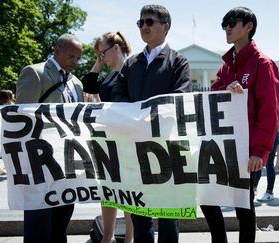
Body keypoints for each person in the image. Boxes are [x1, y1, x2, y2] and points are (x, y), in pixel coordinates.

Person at [200, 7, 279, 243]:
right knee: (207, 198)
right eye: (224, 24)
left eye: (232, 23)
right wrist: (225, 89)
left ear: (249, 26)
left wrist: (259, 151)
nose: (227, 28)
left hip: (248, 151)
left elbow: (270, 112)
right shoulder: (226, 65)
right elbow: (212, 95)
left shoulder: (263, 64)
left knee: (243, 207)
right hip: (222, 145)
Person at [111, 4, 191, 243]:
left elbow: (179, 98)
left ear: (166, 26)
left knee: (168, 215)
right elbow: (118, 94)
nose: (143, 26)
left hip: (167, 148)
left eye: (149, 22)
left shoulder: (179, 62)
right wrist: (136, 118)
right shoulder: (131, 63)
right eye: (140, 23)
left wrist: (143, 117)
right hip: (134, 148)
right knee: (139, 214)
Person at [15, 34, 83, 243]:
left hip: (67, 159)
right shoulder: (35, 73)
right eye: (71, 56)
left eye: (78, 58)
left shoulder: (76, 83)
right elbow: (21, 119)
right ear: (57, 50)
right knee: (39, 219)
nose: (75, 62)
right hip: (39, 159)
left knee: (62, 217)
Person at [82, 31, 134, 243]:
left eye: (102, 52)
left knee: (130, 191)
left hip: (128, 139)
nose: (101, 57)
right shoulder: (110, 74)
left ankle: (130, 238)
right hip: (108, 139)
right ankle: (107, 237)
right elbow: (88, 85)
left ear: (116, 47)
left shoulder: (132, 70)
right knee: (108, 189)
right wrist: (98, 62)